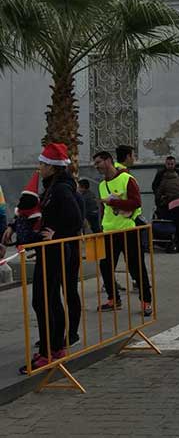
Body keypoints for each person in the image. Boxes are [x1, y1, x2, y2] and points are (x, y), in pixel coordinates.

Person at [6, 144, 83, 373]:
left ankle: (48, 353)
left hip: (55, 251)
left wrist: (56, 235)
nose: (39, 167)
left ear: (51, 166)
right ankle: (56, 347)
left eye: (42, 164)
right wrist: (13, 226)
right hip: (52, 251)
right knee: (50, 300)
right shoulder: (53, 187)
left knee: (43, 301)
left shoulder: (61, 189)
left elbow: (75, 219)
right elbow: (35, 211)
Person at [93, 151, 152, 315]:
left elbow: (136, 202)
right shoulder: (101, 185)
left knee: (136, 267)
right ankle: (113, 300)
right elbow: (103, 209)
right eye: (95, 163)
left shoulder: (127, 179)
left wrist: (114, 201)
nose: (96, 166)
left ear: (108, 161)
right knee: (105, 266)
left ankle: (146, 301)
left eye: (98, 162)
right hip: (109, 231)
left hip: (128, 230)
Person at [156, 166, 179, 253]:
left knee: (178, 225)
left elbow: (158, 194)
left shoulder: (164, 181)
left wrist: (162, 200)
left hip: (175, 204)